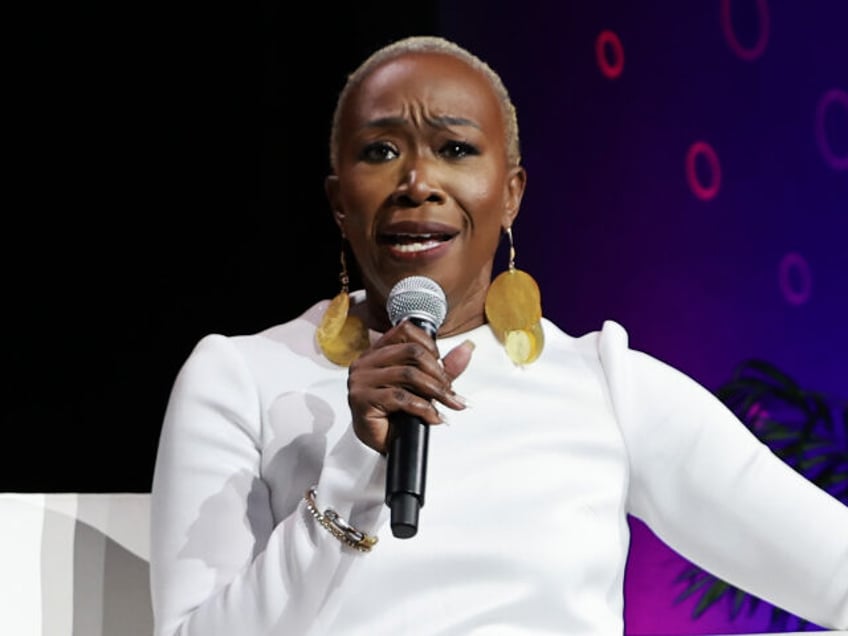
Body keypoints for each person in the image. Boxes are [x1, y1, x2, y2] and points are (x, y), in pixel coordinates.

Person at [149, 34, 848, 635]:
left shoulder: (605, 386)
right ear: (339, 201)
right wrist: (348, 470)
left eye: (455, 148)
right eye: (381, 150)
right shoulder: (241, 376)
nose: (417, 181)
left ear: (510, 192)